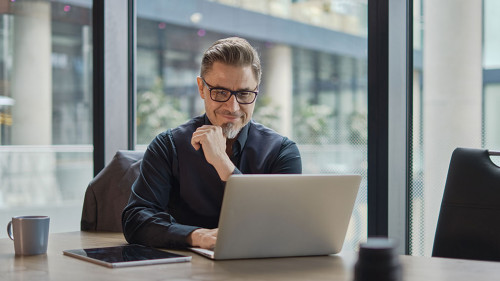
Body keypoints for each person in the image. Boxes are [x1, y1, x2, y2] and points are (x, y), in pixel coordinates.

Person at [122, 37, 302, 250]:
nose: (233, 107)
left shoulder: (282, 152)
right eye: (220, 92)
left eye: (244, 94)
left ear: (256, 91)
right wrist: (197, 237)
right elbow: (135, 220)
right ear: (201, 88)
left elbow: (282, 226)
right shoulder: (168, 146)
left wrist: (222, 163)